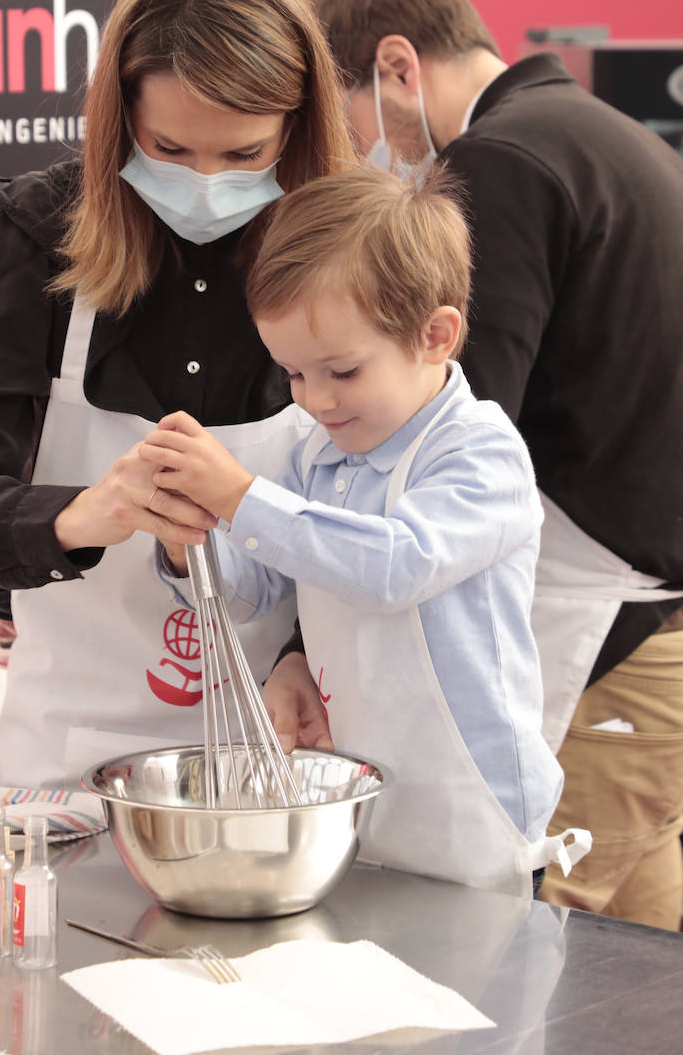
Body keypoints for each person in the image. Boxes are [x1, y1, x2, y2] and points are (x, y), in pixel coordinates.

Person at [0, 0, 357, 788]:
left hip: (290, 746)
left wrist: (299, 649)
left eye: (245, 155)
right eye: (168, 150)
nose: (207, 183)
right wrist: (74, 519)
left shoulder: (352, 246)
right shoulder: (35, 235)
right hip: (68, 760)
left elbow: (403, 509)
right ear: (118, 120)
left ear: (297, 128)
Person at [267, 0, 683, 928]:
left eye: (353, 127)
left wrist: (293, 606)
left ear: (398, 67)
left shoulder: (501, 166)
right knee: (645, 946)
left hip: (607, 643)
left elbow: (435, 433)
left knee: (514, 953)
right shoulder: (606, 139)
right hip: (655, 646)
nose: (362, 158)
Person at [141, 167, 588, 896]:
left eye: (342, 371)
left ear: (436, 336)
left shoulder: (481, 452)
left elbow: (393, 568)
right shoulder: (317, 455)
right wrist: (185, 537)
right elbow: (251, 592)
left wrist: (238, 495)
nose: (314, 400)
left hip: (467, 818)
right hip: (356, 798)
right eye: (292, 374)